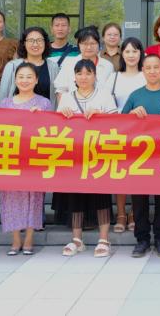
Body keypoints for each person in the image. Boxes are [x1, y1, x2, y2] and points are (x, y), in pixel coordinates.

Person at [54, 58, 117, 258]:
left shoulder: (104, 95)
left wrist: (100, 115)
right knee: (75, 196)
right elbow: (56, 127)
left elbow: (116, 123)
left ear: (95, 76)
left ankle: (104, 239)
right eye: (79, 73)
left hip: (99, 154)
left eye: (88, 73)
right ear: (74, 76)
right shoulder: (66, 97)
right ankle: (77, 239)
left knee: (101, 196)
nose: (83, 77)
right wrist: (62, 115)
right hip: (74, 156)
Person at [123, 54, 160, 258]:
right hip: (140, 159)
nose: (153, 71)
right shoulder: (135, 95)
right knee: (139, 201)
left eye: (156, 67)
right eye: (148, 68)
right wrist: (131, 115)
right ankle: (142, 240)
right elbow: (119, 124)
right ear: (143, 71)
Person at [0, 63, 51, 256]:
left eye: (29, 77)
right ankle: (15, 239)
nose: (25, 80)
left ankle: (29, 238)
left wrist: (41, 117)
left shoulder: (44, 103)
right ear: (15, 80)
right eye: (21, 76)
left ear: (36, 80)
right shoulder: (5, 104)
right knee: (10, 198)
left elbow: (51, 130)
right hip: (10, 156)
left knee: (33, 198)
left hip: (34, 158)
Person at [101, 36, 146, 234]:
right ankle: (120, 213)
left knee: (137, 173)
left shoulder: (146, 75)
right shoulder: (114, 77)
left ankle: (135, 213)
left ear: (141, 53)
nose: (131, 55)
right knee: (120, 173)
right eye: (127, 51)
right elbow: (105, 102)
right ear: (122, 54)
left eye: (135, 51)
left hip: (143, 133)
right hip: (118, 131)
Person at [0, 27, 58, 102]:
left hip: (46, 109)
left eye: (39, 40)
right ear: (24, 43)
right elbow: (3, 94)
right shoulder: (12, 66)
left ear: (45, 43)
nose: (35, 44)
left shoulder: (54, 67)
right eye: (31, 40)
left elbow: (57, 96)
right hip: (17, 109)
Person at [53, 27, 115, 95]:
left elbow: (111, 91)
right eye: (85, 44)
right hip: (72, 102)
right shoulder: (69, 64)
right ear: (79, 45)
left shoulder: (107, 66)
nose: (89, 47)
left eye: (92, 43)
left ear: (98, 44)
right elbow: (61, 90)